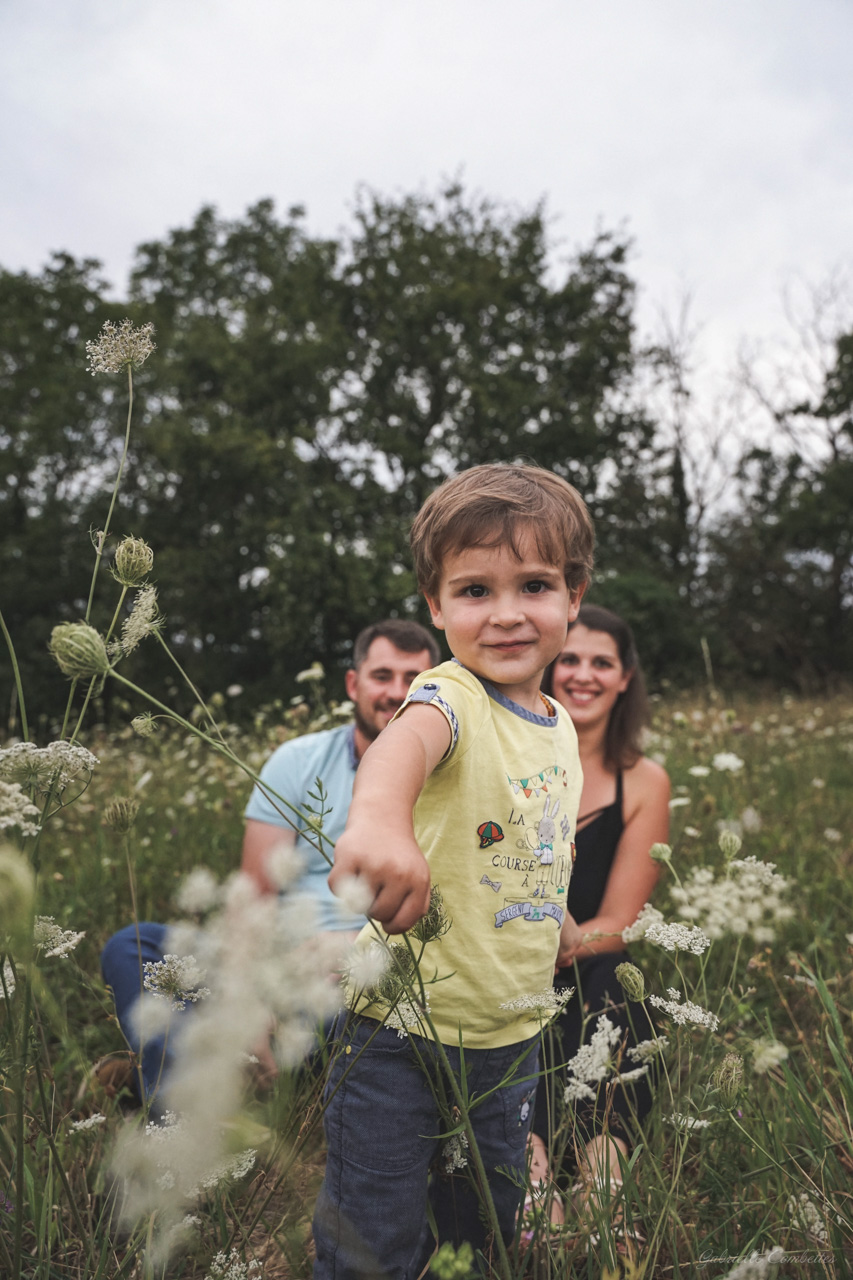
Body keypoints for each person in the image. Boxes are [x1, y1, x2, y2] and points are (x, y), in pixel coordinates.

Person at [313, 463, 595, 1280]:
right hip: (394, 1031)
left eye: (534, 584)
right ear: (435, 609)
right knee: (375, 1222)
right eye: (474, 590)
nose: (506, 614)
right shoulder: (449, 695)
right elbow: (401, 750)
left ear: (573, 596)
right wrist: (377, 821)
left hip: (509, 1035)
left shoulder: (560, 725)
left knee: (486, 1225)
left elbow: (538, 843)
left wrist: (562, 919)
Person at [98, 619, 439, 1107]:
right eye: (383, 675)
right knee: (134, 946)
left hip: (368, 976)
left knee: (366, 1023)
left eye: (413, 680)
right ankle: (194, 1091)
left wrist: (347, 947)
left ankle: (184, 1080)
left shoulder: (445, 778)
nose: (396, 692)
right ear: (353, 684)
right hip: (273, 962)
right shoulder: (297, 761)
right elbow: (253, 898)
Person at [527, 603, 671, 1233]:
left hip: (586, 960)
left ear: (624, 679)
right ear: (550, 667)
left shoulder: (642, 781)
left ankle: (602, 1171)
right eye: (571, 659)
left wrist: (562, 947)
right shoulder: (510, 760)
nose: (583, 675)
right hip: (505, 959)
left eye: (601, 663)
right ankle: (528, 1174)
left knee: (613, 979)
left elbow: (620, 917)